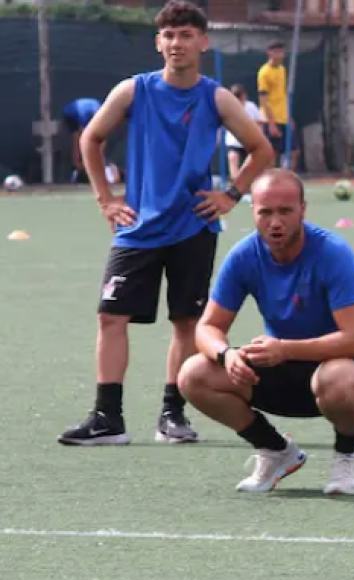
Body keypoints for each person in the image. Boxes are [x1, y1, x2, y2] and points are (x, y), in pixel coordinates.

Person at [57, 0, 274, 447]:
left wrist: (231, 194)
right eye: (170, 35)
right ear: (159, 43)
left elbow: (261, 149)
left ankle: (172, 415)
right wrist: (105, 199)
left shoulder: (215, 97)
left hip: (193, 226)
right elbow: (91, 138)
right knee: (111, 317)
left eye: (187, 35)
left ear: (203, 42)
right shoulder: (134, 91)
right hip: (138, 227)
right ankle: (107, 418)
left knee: (186, 323)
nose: (178, 43)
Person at [178, 169, 354, 495]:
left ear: (303, 209)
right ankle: (276, 451)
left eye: (285, 211)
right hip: (282, 369)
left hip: (346, 371)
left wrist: (286, 349)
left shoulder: (333, 253)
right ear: (254, 213)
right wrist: (227, 354)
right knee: (193, 374)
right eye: (266, 212)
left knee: (338, 380)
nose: (275, 222)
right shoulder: (244, 256)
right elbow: (208, 327)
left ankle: (347, 453)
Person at [258, 41, 298, 170]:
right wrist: (271, 123)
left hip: (284, 118)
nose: (281, 55)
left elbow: (282, 95)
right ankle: (271, 184)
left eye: (282, 52)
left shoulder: (282, 70)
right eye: (278, 52)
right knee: (272, 154)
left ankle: (288, 182)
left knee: (294, 152)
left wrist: (289, 117)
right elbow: (263, 99)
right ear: (270, 53)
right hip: (272, 119)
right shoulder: (264, 72)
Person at [62, 98, 119, 184]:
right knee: (80, 139)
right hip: (72, 114)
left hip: (82, 112)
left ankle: (83, 167)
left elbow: (101, 140)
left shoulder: (102, 118)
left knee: (92, 142)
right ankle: (78, 169)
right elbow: (83, 137)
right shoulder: (84, 115)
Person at [224, 83, 265, 188]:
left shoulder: (251, 107)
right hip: (233, 142)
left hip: (249, 142)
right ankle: (236, 187)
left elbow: (260, 122)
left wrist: (260, 136)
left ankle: (251, 187)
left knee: (251, 167)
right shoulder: (227, 106)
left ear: (244, 96)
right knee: (233, 158)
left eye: (240, 98)